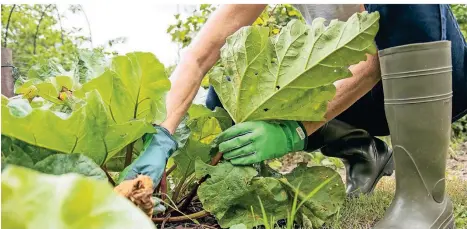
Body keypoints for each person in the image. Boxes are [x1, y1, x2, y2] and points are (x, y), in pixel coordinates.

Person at [123, 4, 466, 228]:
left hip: (438, 76)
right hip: (359, 97)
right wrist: (162, 136)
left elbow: (376, 58)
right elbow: (199, 57)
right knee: (231, 83)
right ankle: (364, 152)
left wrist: (295, 130)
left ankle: (425, 203)